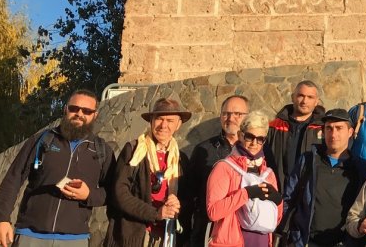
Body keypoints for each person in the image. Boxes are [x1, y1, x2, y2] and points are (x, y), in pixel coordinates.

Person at [0, 89, 115, 246]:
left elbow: (112, 193)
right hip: (30, 235)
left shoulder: (102, 150)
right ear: (65, 109)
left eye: (87, 111)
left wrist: (88, 195)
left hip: (75, 239)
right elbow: (13, 178)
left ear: (95, 115)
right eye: (74, 108)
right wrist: (1, 219)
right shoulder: (42, 140)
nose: (79, 114)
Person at [105, 98, 192, 247]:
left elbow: (189, 198)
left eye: (170, 120)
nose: (163, 125)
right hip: (134, 236)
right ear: (151, 121)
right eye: (159, 119)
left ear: (178, 124)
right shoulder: (133, 150)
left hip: (167, 237)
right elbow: (119, 192)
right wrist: (156, 213)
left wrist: (178, 205)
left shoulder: (181, 159)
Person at [280, 108, 366, 247]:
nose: (333, 134)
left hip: (344, 242)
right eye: (329, 128)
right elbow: (289, 199)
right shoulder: (307, 161)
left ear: (350, 132)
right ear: (323, 132)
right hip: (306, 242)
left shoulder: (363, 168)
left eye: (339, 128)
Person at [205, 110, 282, 247]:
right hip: (232, 241)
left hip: (262, 241)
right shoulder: (224, 168)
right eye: (249, 137)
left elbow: (275, 218)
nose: (254, 143)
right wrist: (246, 193)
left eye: (260, 139)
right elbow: (213, 212)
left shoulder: (268, 173)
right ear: (240, 135)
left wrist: (278, 200)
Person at [183, 95, 250, 247]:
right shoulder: (203, 150)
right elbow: (190, 194)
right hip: (209, 232)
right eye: (226, 113)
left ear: (247, 117)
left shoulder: (257, 151)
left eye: (238, 114)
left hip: (245, 230)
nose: (230, 118)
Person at [266, 81, 325, 187]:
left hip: (311, 192)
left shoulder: (324, 129)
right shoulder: (273, 127)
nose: (304, 101)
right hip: (278, 190)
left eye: (310, 97)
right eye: (300, 96)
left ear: (316, 101)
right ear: (293, 97)